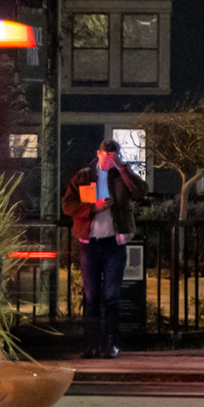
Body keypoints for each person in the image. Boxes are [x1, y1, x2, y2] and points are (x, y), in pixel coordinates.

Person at [66, 141, 148, 357]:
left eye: (114, 155)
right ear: (98, 153)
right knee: (91, 297)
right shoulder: (84, 175)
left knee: (112, 297)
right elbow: (67, 205)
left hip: (114, 244)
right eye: (107, 155)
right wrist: (94, 207)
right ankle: (92, 344)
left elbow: (141, 193)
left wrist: (123, 167)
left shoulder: (121, 175)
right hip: (89, 245)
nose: (110, 159)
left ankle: (111, 344)